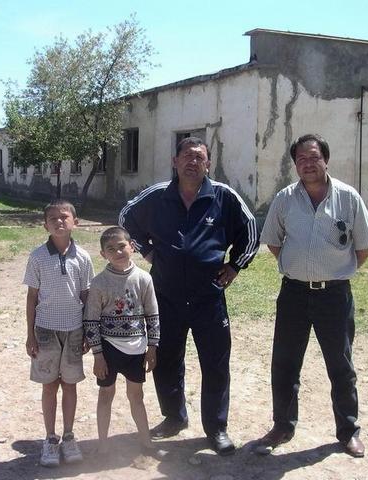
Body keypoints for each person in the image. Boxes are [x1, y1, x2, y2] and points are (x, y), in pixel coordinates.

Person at [119, 136, 259, 456]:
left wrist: (236, 266)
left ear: (208, 163)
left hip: (208, 297)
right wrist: (149, 252)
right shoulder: (157, 196)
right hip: (165, 295)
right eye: (187, 156)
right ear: (175, 161)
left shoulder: (223, 197)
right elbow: (126, 219)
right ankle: (173, 417)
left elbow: (250, 230)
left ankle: (216, 428)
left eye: (200, 157)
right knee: (166, 360)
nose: (193, 162)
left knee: (215, 362)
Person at [257, 133, 368, 458]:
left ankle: (348, 432)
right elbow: (273, 241)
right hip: (293, 294)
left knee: (341, 366)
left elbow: (363, 247)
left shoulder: (348, 198)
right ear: (295, 163)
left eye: (313, 157)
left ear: (326, 159)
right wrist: (296, 266)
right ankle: (282, 426)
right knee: (284, 363)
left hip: (334, 296)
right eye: (301, 159)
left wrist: (336, 270)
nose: (307, 164)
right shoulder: (284, 198)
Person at [23, 199, 94, 467]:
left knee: (70, 384)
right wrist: (30, 334)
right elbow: (32, 297)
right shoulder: (37, 257)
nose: (59, 221)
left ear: (75, 222)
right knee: (49, 385)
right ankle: (51, 439)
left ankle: (69, 435)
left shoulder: (83, 257)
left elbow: (86, 295)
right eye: (53, 218)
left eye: (65, 217)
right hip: (45, 331)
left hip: (75, 330)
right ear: (45, 225)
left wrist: (89, 330)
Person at [83, 226, 160, 454]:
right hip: (108, 350)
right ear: (102, 254)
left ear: (132, 247)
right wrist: (98, 355)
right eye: (110, 249)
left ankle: (146, 441)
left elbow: (152, 314)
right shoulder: (98, 283)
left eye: (122, 247)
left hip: (137, 349)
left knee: (137, 396)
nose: (118, 252)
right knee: (106, 394)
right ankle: (103, 444)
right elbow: (91, 321)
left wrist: (152, 347)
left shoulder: (144, 279)